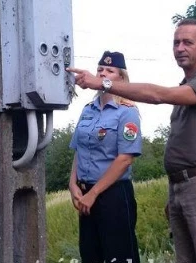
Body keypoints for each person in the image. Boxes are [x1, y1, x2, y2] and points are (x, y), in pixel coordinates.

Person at [67, 18, 196, 263]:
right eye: (176, 42)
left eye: (188, 42)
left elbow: (157, 96)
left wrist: (101, 82)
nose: (180, 48)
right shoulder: (89, 110)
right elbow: (80, 148)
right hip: (180, 185)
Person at [68, 51, 142, 263]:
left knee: (118, 256)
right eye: (100, 69)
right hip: (85, 195)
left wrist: (94, 193)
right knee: (91, 255)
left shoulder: (127, 111)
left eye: (110, 70)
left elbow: (125, 159)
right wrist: (73, 184)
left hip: (113, 195)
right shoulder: (87, 110)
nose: (102, 73)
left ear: (121, 79)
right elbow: (79, 150)